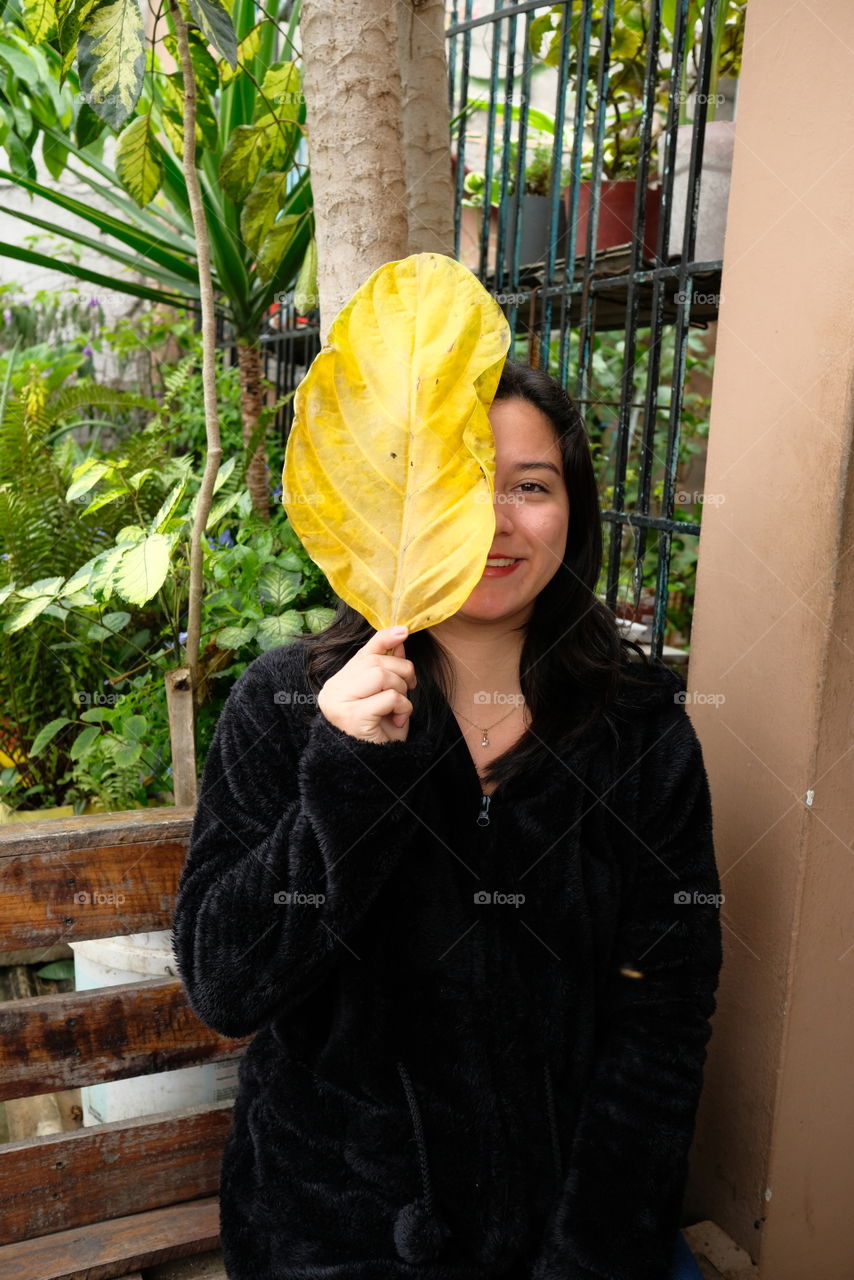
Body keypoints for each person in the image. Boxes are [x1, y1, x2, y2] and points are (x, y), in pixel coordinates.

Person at [172, 359, 722, 1280]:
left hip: (566, 1232)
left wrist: (588, 1255)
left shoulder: (639, 730)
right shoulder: (288, 702)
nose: (496, 520)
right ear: (403, 506)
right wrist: (347, 769)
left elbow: (663, 1021)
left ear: (573, 511)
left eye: (531, 487)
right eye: (459, 484)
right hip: (325, 1235)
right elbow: (227, 985)